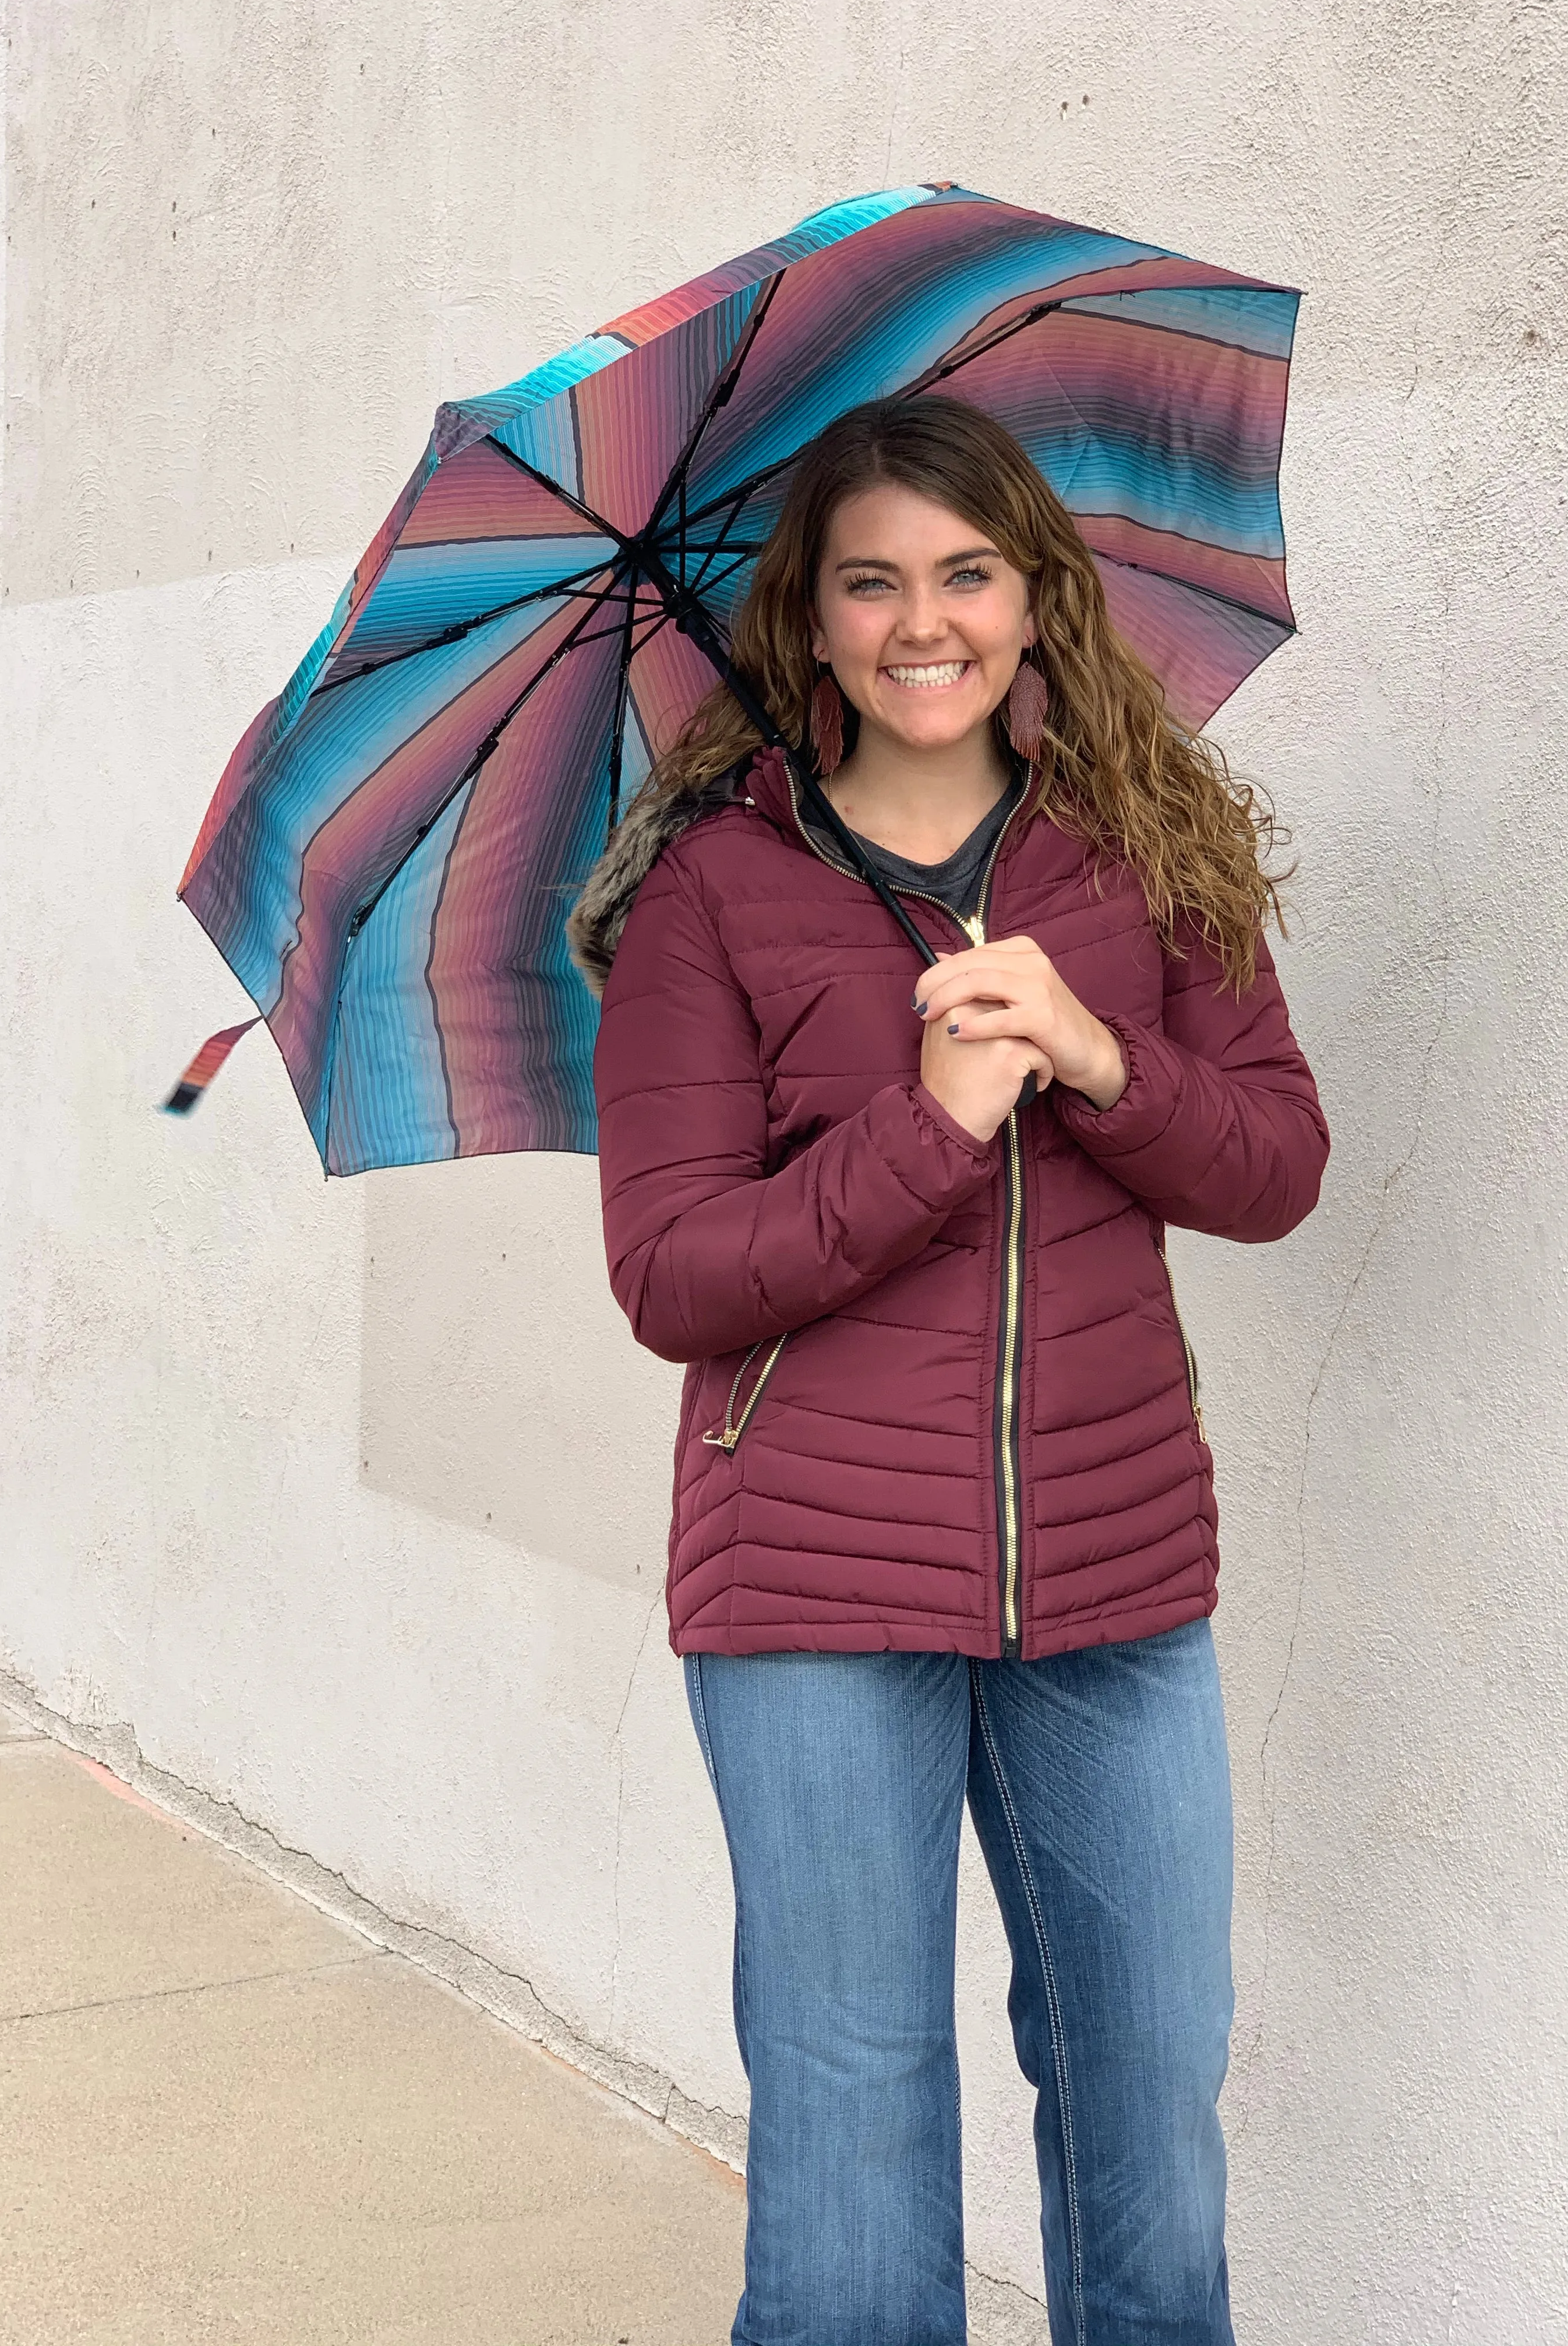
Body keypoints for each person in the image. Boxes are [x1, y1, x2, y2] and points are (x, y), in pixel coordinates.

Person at [568, 395, 1329, 2346]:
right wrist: (928, 1123)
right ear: (807, 626)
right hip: (811, 1602)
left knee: (1151, 2119)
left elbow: (1274, 1166)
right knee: (852, 2162)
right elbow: (673, 1271)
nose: (926, 621)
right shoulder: (710, 897)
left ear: (1036, 596)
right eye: (871, 581)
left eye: (966, 573)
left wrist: (1099, 1057)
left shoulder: (1148, 854)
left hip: (1118, 1585)